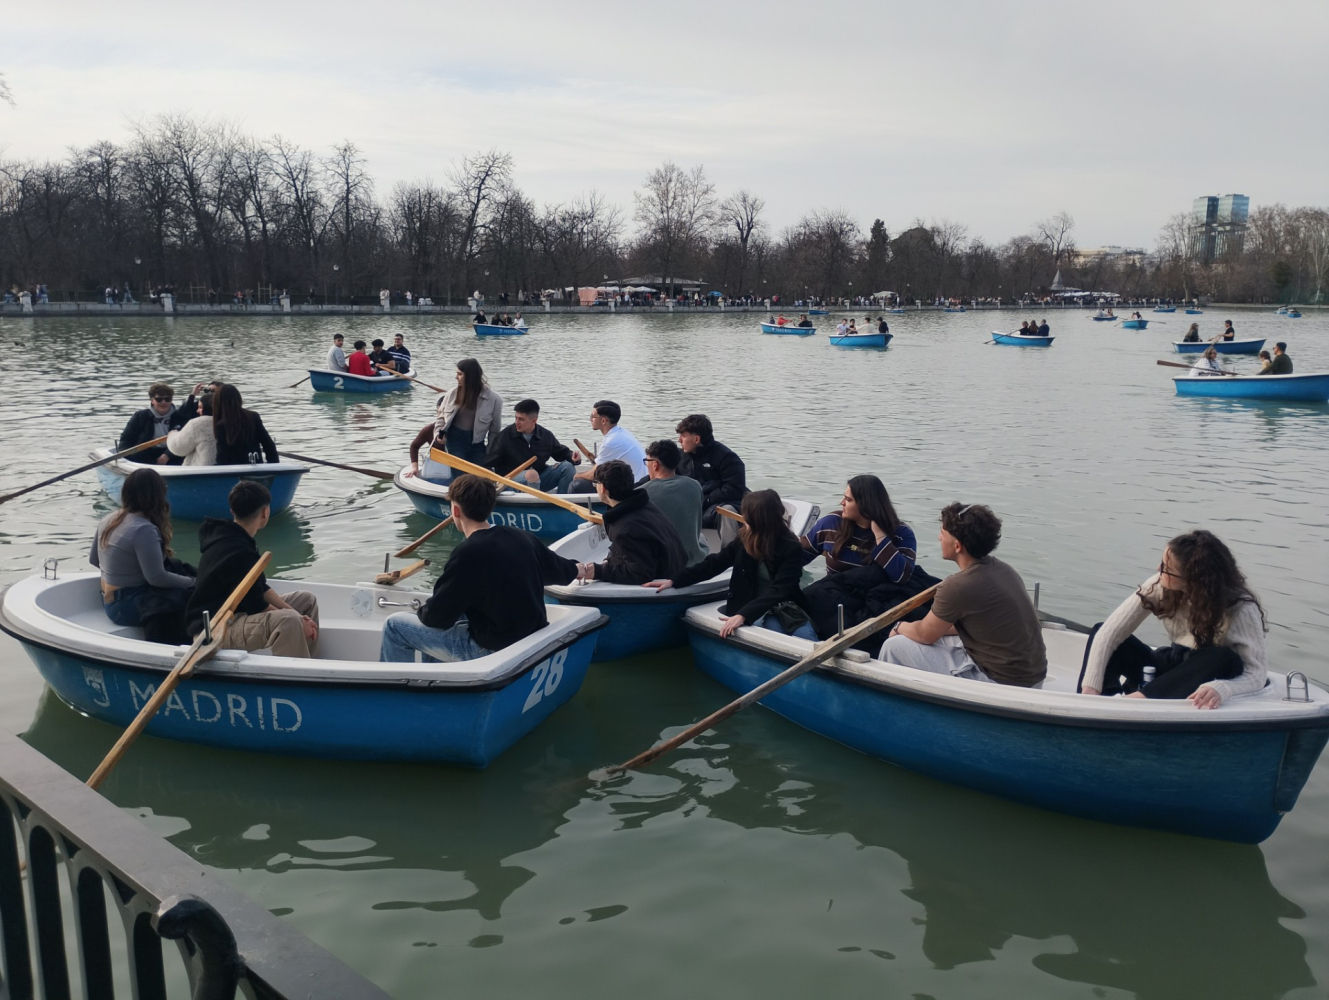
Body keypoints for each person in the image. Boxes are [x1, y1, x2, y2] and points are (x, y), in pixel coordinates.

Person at [379, 474, 579, 662]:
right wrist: (585, 569)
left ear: (455, 511)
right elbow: (563, 572)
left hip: (492, 647)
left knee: (395, 625)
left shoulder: (467, 553)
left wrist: (423, 611)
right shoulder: (522, 537)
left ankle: (397, 692)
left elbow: (436, 618)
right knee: (456, 616)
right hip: (530, 635)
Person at [1076, 530, 1266, 708]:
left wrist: (1223, 689)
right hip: (1173, 664)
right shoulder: (1159, 584)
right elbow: (1109, 635)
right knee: (1102, 631)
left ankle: (1132, 703)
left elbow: (1256, 674)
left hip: (1206, 674)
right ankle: (1098, 704)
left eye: (1167, 568)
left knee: (1221, 656)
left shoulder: (1241, 608)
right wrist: (1089, 689)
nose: (1159, 569)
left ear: (1192, 580)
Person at [880, 503, 1046, 687]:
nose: (938, 538)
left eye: (942, 534)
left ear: (957, 546)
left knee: (894, 646)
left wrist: (899, 626)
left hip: (1002, 682)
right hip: (1033, 677)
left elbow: (924, 634)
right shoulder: (1004, 570)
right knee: (940, 636)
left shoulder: (958, 586)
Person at [644, 489, 814, 640]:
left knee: (806, 638)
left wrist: (744, 615)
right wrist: (675, 580)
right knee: (775, 634)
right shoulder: (744, 539)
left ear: (758, 519)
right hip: (747, 606)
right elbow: (715, 564)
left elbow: (781, 589)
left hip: (783, 609)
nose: (743, 516)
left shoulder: (790, 546)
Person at [186, 480, 319, 657]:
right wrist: (297, 619)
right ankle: (298, 677)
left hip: (238, 614)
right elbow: (257, 604)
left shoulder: (237, 538)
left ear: (232, 510)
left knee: (306, 601)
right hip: (217, 628)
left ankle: (309, 662)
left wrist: (300, 615)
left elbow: (261, 588)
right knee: (289, 621)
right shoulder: (237, 550)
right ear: (265, 512)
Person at [801, 475, 932, 641]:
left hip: (877, 606)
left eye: (848, 499)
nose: (842, 503)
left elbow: (901, 577)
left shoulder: (901, 534)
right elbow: (798, 557)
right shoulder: (831, 524)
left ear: (865, 505)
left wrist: (881, 537)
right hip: (834, 600)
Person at [89, 468, 195, 642]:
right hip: (125, 606)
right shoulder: (143, 529)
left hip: (108, 599)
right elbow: (157, 578)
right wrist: (193, 583)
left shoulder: (109, 519)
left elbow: (94, 560)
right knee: (189, 595)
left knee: (176, 568)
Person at [577, 461, 688, 584]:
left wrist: (598, 571)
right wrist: (609, 561)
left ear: (602, 488)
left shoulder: (626, 527)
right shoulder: (643, 506)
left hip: (662, 587)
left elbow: (641, 573)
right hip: (675, 569)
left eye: (595, 484)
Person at [419, 358, 504, 482]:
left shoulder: (494, 400)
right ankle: (460, 497)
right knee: (461, 477)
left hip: (477, 443)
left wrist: (490, 453)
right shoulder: (451, 394)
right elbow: (441, 418)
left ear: (470, 376)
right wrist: (438, 434)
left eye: (459, 374)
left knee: (481, 476)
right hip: (455, 440)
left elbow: (494, 431)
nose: (456, 377)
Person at [484, 398, 580, 494]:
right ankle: (534, 505)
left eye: (521, 419)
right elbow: (488, 462)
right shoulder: (504, 436)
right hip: (510, 481)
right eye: (516, 418)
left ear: (534, 420)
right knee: (532, 475)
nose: (517, 422)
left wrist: (573, 457)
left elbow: (561, 453)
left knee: (568, 467)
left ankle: (562, 503)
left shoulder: (545, 435)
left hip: (539, 478)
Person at [641, 439, 708, 566]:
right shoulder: (695, 486)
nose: (647, 466)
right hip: (693, 559)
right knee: (702, 537)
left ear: (655, 464)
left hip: (662, 563)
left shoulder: (642, 493)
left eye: (646, 462)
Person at [675, 414, 747, 527]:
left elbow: (734, 488)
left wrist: (706, 500)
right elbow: (663, 474)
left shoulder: (727, 457)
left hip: (718, 505)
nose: (679, 440)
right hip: (690, 505)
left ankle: (728, 545)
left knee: (727, 512)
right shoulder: (679, 457)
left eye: (683, 436)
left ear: (696, 439)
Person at [118, 381, 204, 465]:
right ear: (152, 400)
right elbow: (126, 439)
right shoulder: (140, 416)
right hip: (145, 455)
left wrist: (167, 455)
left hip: (173, 453)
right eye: (159, 399)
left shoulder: (179, 416)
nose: (164, 402)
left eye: (167, 399)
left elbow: (184, 441)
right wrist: (126, 457)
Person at [569, 400, 647, 491]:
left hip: (634, 486)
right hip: (637, 481)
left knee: (577, 485)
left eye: (592, 416)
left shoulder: (611, 441)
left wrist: (577, 475)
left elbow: (595, 474)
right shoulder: (621, 433)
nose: (590, 419)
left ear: (603, 420)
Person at [211, 383, 279, 464]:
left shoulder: (221, 425)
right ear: (239, 399)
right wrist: (273, 466)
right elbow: (268, 444)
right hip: (256, 465)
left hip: (234, 470)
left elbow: (222, 456)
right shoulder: (253, 416)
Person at [166, 389, 217, 466]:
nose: (197, 411)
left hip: (201, 471)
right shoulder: (235, 420)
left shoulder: (197, 424)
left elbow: (178, 448)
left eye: (200, 407)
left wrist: (172, 435)